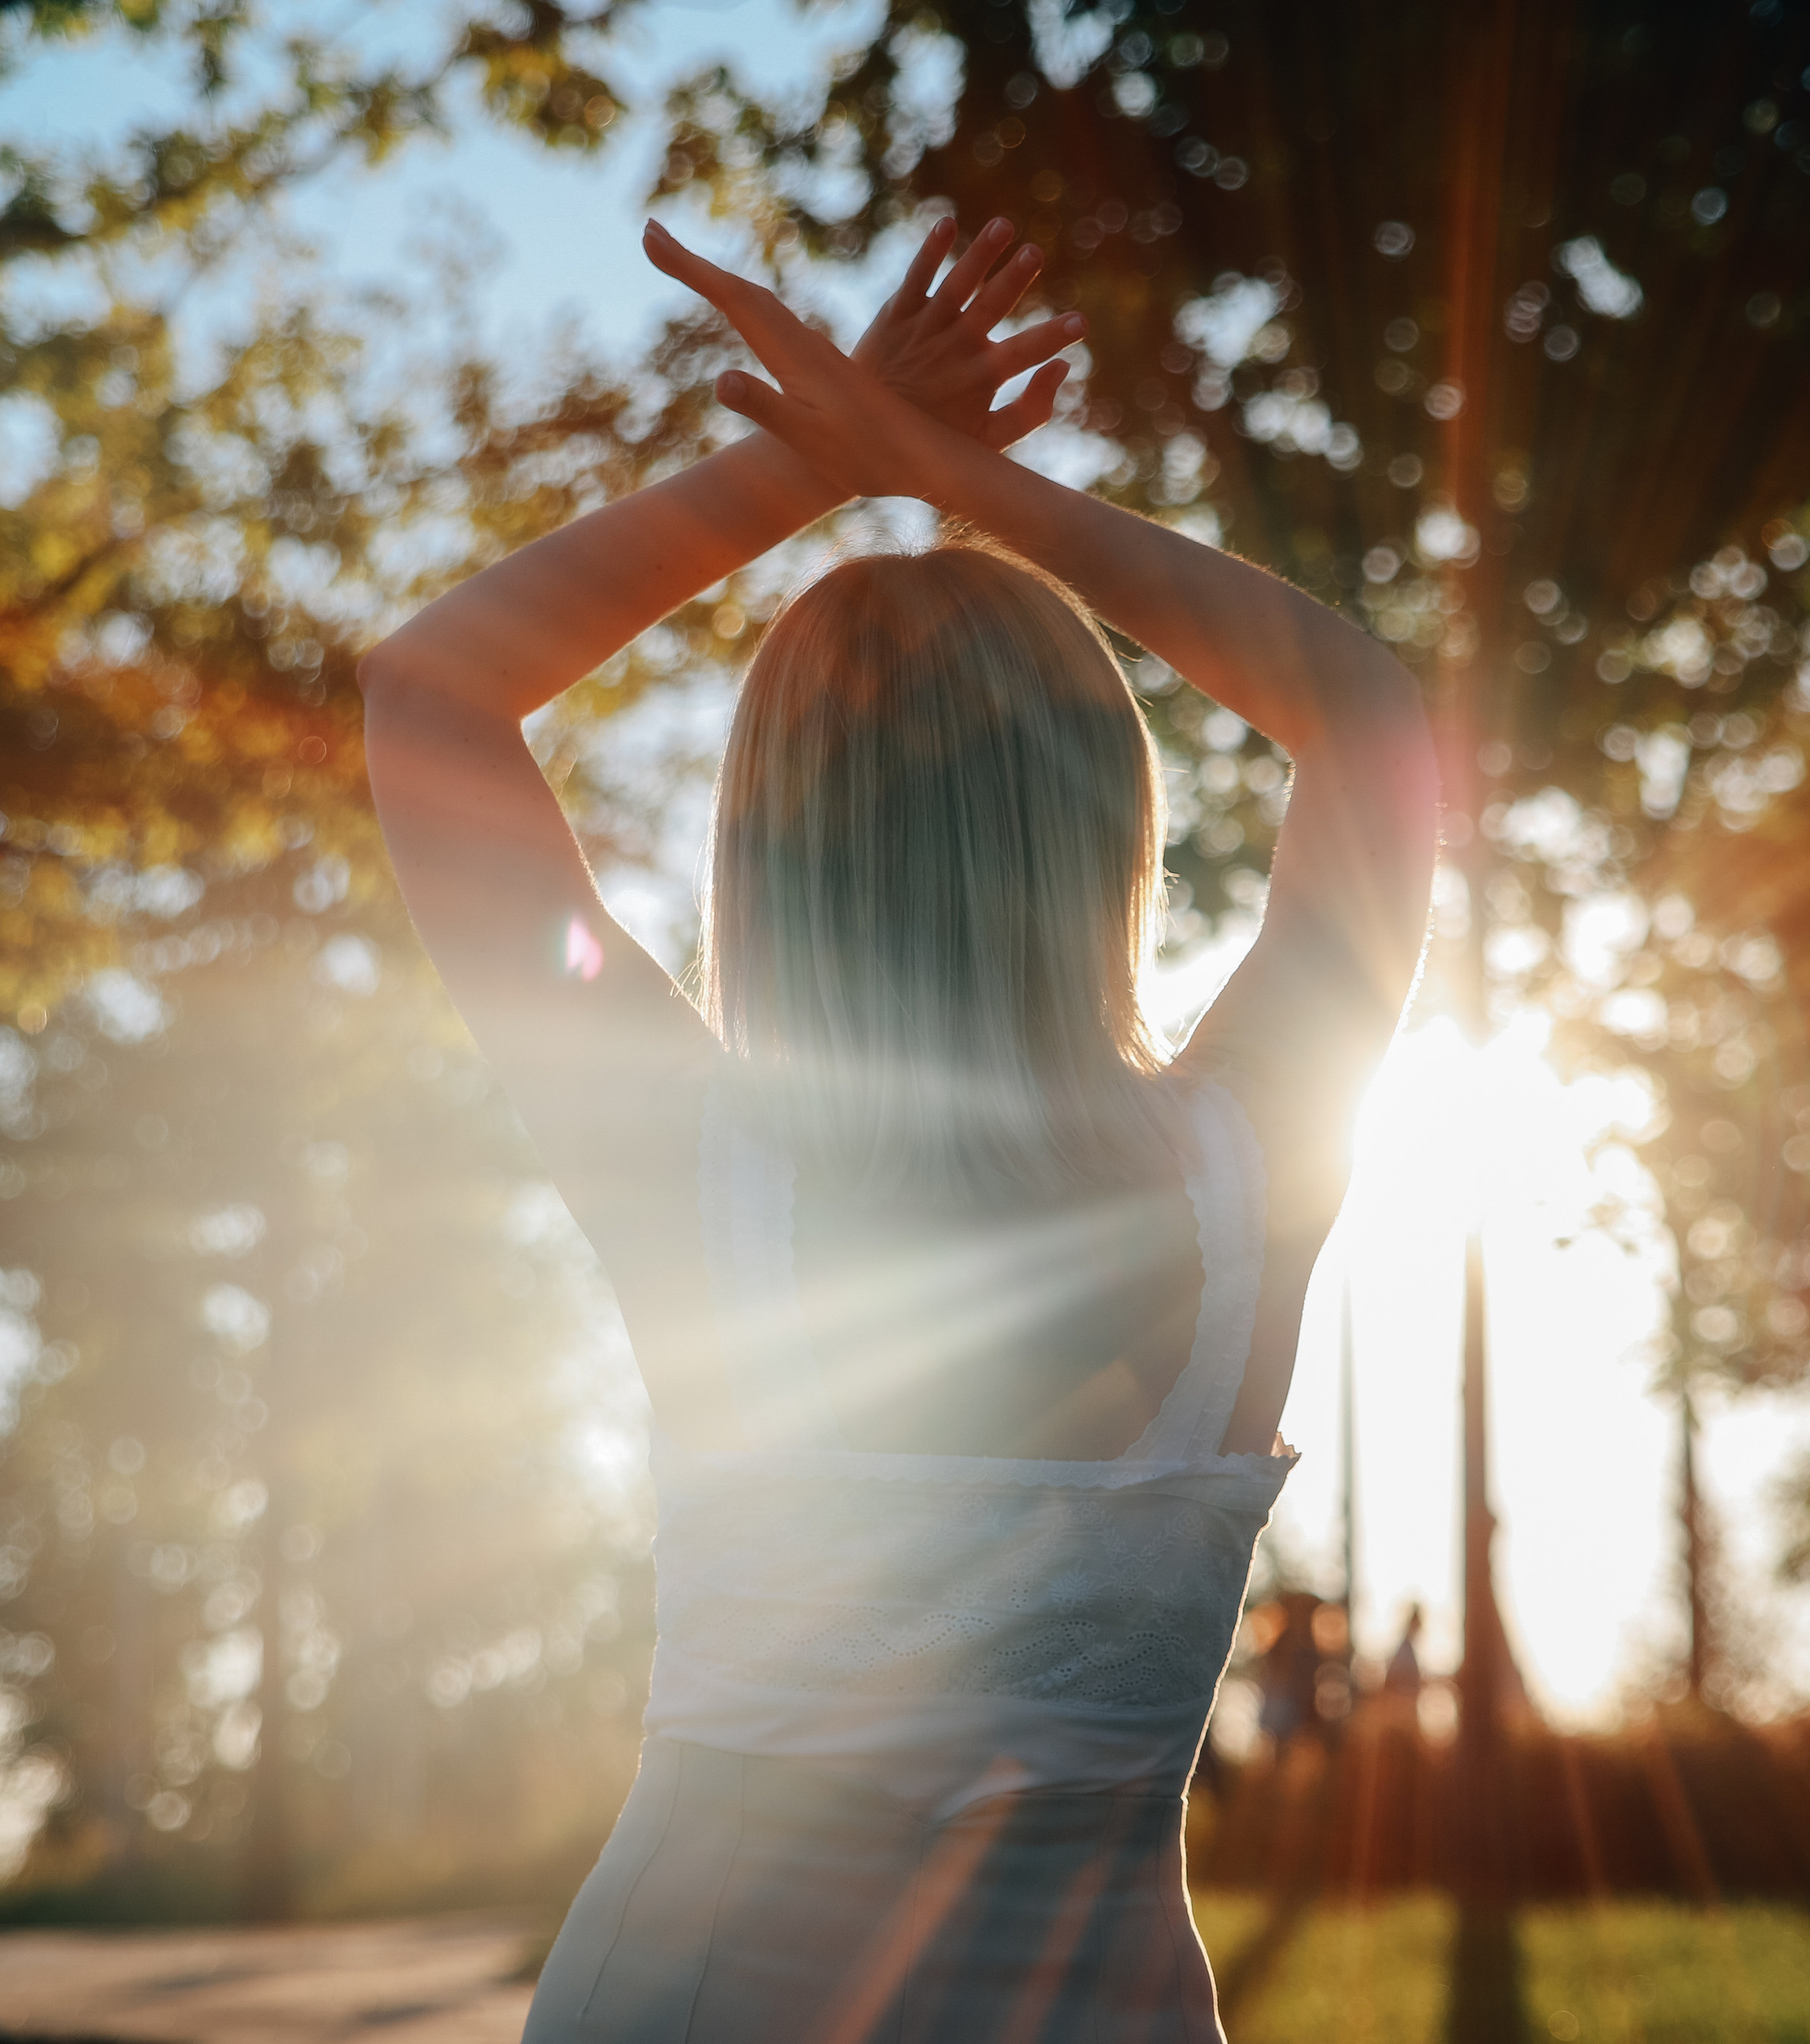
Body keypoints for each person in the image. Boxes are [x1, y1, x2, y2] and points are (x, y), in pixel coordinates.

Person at [359, 212, 1437, 2042]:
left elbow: (432, 695)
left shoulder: (691, 1164)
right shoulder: (1245, 1175)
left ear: (768, 852)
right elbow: (1367, 724)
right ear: (1102, 827)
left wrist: (816, 459)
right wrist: (952, 475)